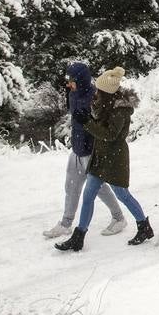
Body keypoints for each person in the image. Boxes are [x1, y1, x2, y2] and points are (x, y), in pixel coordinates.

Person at [55, 66, 155, 251]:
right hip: (100, 156)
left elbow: (109, 134)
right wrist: (86, 114)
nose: (96, 93)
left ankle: (144, 226)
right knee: (88, 195)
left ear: (107, 92)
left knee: (122, 194)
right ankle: (79, 236)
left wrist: (87, 122)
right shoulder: (104, 102)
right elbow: (97, 118)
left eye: (100, 90)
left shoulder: (120, 110)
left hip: (115, 158)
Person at [44, 61, 126, 239]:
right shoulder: (73, 94)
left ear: (80, 80)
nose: (68, 84)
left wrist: (90, 125)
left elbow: (102, 125)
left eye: (71, 80)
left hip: (91, 151)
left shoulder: (95, 96)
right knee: (71, 186)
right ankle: (66, 223)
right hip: (77, 149)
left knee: (99, 189)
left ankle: (119, 218)